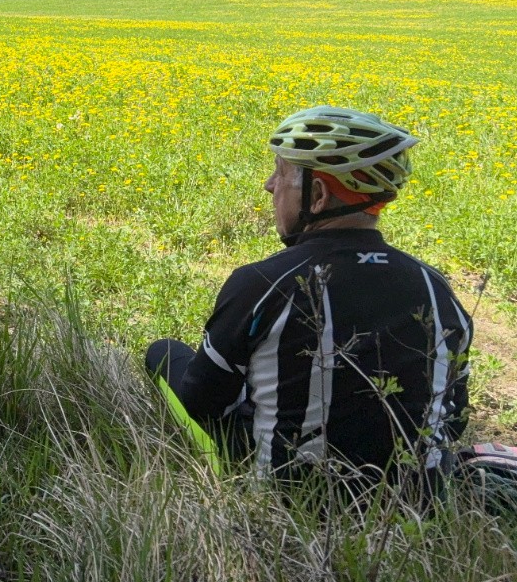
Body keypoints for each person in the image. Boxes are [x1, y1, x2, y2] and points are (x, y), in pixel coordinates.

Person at [146, 106, 473, 482]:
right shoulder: (435, 286)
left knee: (163, 353)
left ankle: (224, 479)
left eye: (280, 173)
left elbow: (201, 403)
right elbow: (454, 418)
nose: (270, 185)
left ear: (317, 195)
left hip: (288, 502)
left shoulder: (262, 282)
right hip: (418, 503)